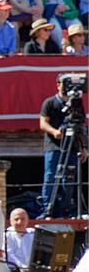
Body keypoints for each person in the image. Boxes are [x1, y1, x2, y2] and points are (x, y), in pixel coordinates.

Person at [40, 74, 88, 218]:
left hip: (72, 148)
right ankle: (47, 209)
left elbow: (81, 126)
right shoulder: (49, 102)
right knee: (50, 177)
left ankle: (66, 210)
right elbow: (43, 123)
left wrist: (84, 147)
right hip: (54, 147)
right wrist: (54, 132)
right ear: (58, 85)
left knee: (69, 179)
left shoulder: (77, 104)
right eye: (64, 84)